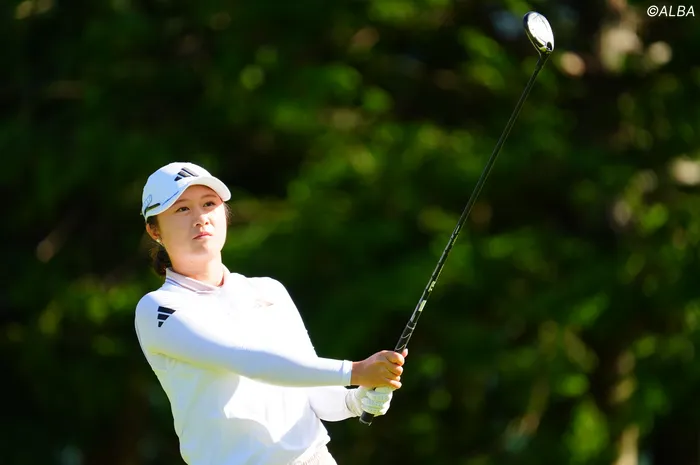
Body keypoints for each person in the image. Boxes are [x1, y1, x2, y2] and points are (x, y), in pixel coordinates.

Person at [133, 162, 408, 465]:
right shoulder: (159, 308)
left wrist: (357, 399)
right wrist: (356, 371)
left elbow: (314, 392)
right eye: (182, 209)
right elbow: (246, 359)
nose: (201, 218)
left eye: (209, 204)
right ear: (154, 230)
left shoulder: (268, 290)